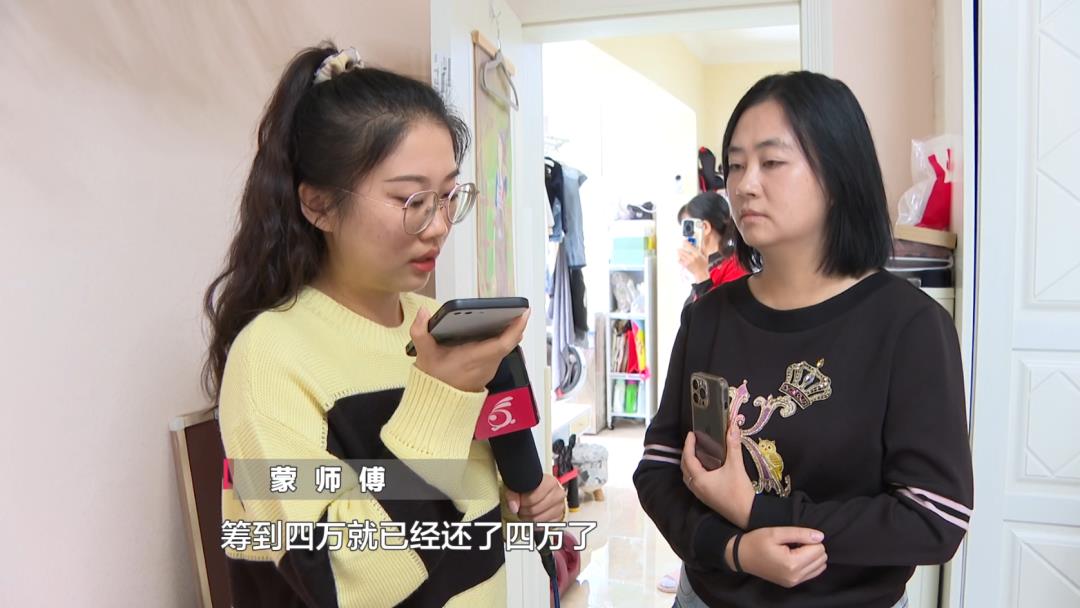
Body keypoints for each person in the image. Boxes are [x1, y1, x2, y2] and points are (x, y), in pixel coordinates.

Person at [203, 44, 565, 607]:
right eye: (411, 199)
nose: (439, 225)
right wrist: (442, 395)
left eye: (448, 196)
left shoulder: (433, 325)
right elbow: (340, 579)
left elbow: (456, 512)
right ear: (319, 206)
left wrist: (523, 495)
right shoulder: (269, 358)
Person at [635, 71, 973, 608]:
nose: (745, 185)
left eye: (771, 162)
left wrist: (758, 512)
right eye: (736, 165)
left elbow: (934, 517)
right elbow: (657, 469)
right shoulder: (708, 315)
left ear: (838, 174)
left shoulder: (910, 325)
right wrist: (734, 551)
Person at [676, 191, 750, 309]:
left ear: (705, 227)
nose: (685, 235)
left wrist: (701, 275)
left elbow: (723, 316)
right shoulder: (705, 265)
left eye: (688, 227)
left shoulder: (736, 267)